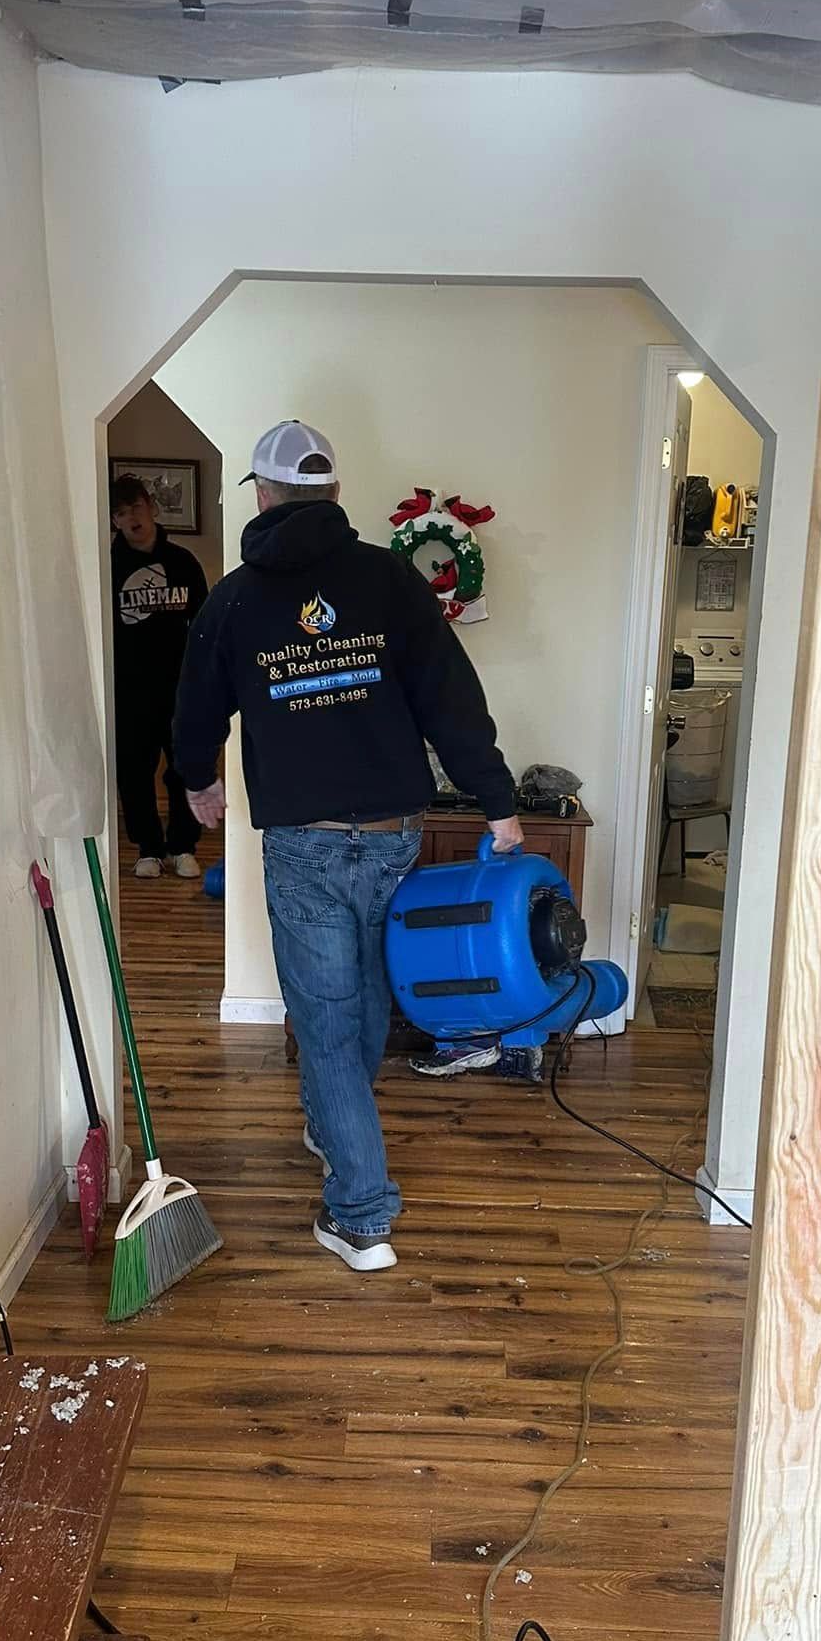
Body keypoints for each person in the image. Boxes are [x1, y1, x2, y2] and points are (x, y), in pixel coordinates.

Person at [173, 420, 522, 1273]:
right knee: (363, 991)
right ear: (332, 492)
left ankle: (361, 1214)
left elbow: (193, 711)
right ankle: (335, 1125)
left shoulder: (238, 600)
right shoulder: (388, 579)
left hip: (306, 842)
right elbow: (454, 702)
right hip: (394, 833)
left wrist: (199, 783)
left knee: (328, 1021)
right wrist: (499, 806)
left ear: (260, 493)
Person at [110, 473, 209, 879]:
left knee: (183, 767)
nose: (130, 518)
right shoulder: (108, 567)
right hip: (129, 689)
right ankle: (148, 848)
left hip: (180, 688)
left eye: (134, 508)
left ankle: (182, 846)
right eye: (119, 513)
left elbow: (203, 624)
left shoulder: (183, 562)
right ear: (114, 522)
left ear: (150, 508)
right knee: (134, 772)